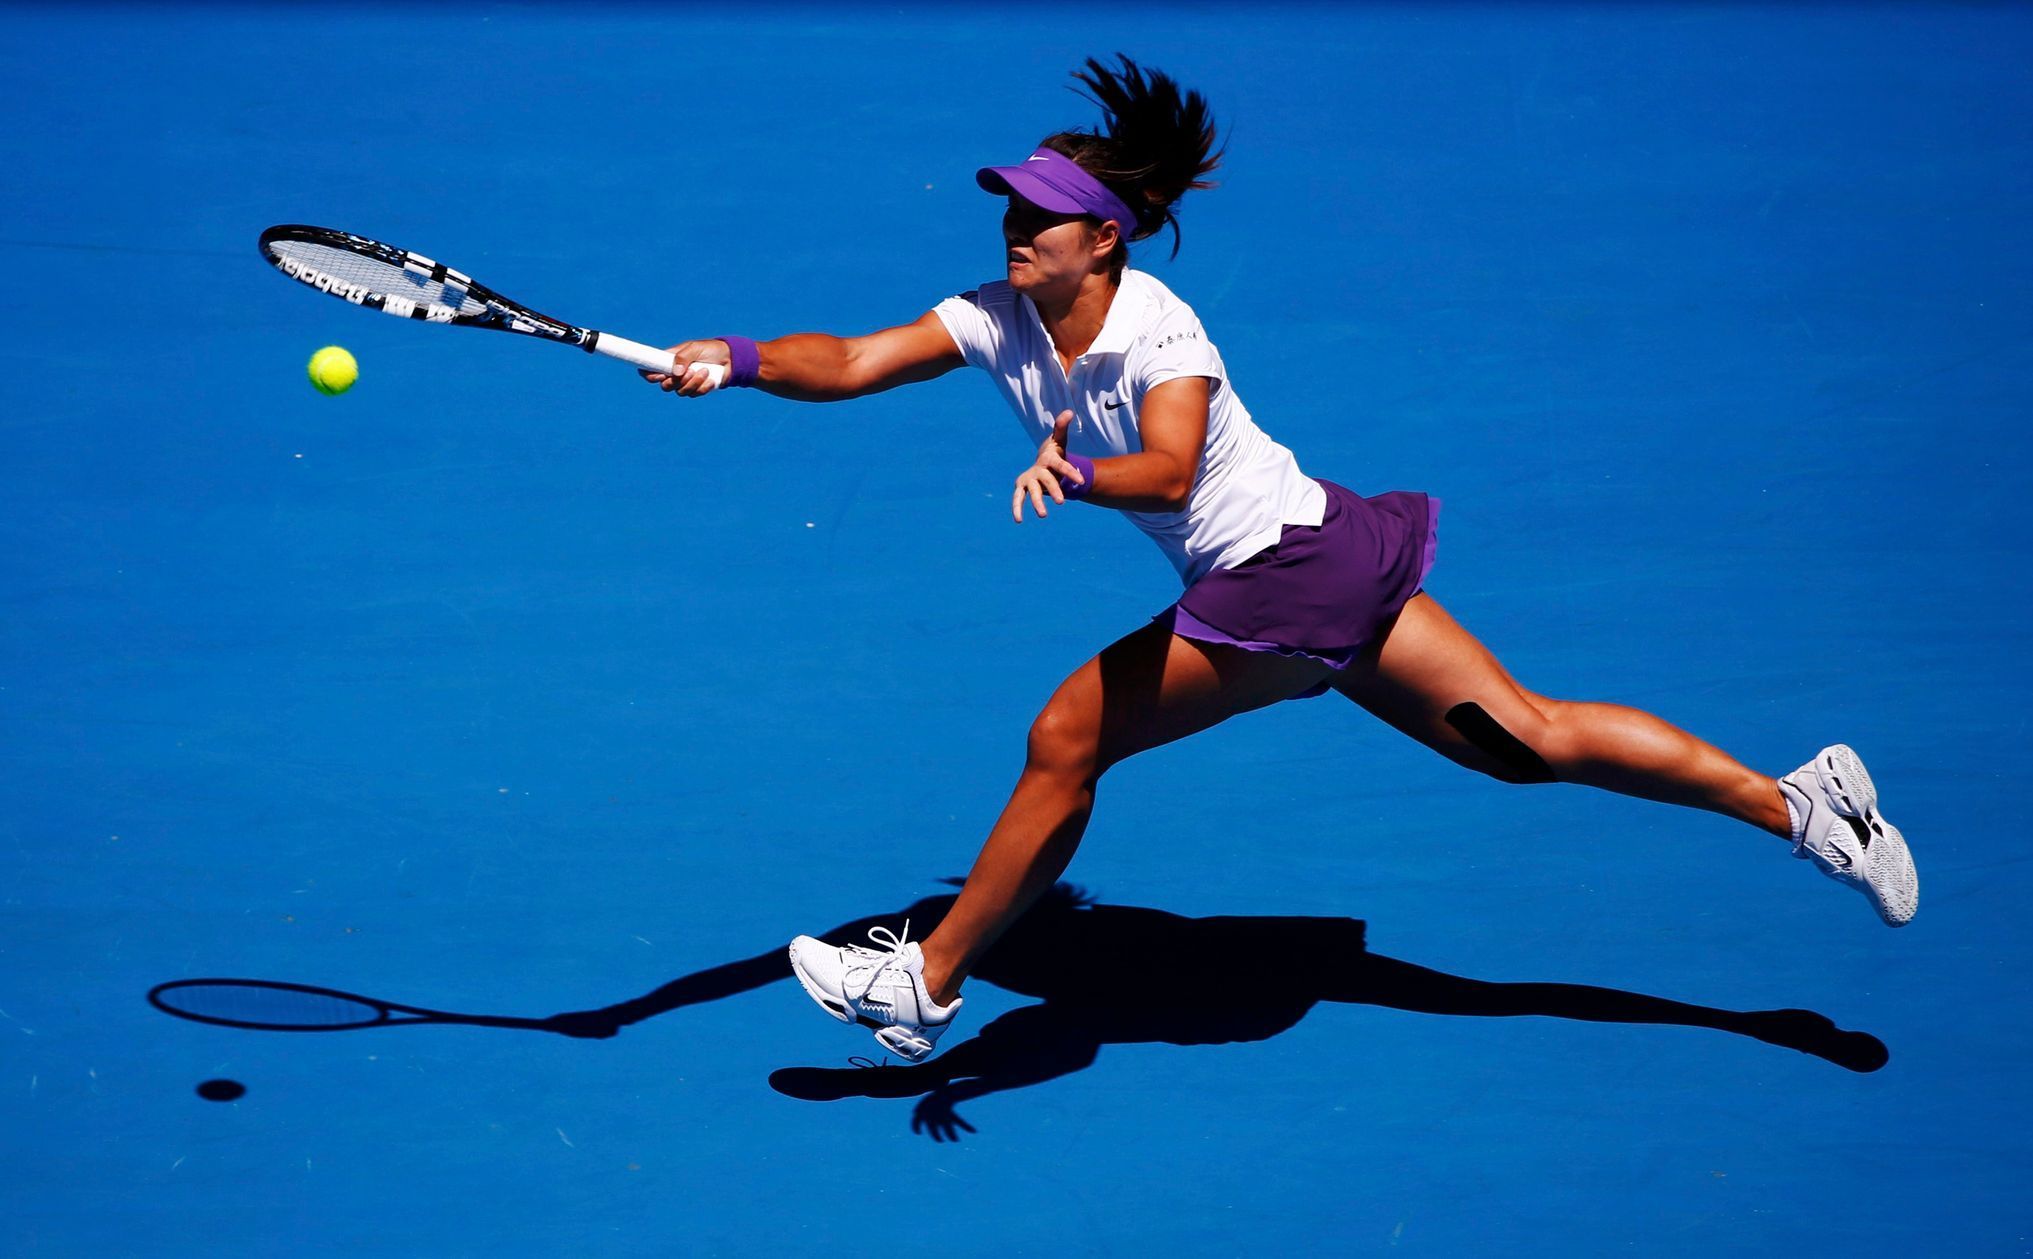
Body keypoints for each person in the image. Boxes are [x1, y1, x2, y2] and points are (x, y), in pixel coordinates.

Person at [643, 56, 1917, 1063]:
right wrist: (736, 357)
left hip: (1284, 577)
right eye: (1012, 207)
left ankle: (925, 982)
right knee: (1526, 740)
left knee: (1064, 737)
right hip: (1330, 561)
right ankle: (1802, 803)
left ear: (1104, 239)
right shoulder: (997, 316)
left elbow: (1170, 470)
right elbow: (854, 359)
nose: (1015, 224)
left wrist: (1073, 472)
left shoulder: (1158, 330)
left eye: (1042, 214)